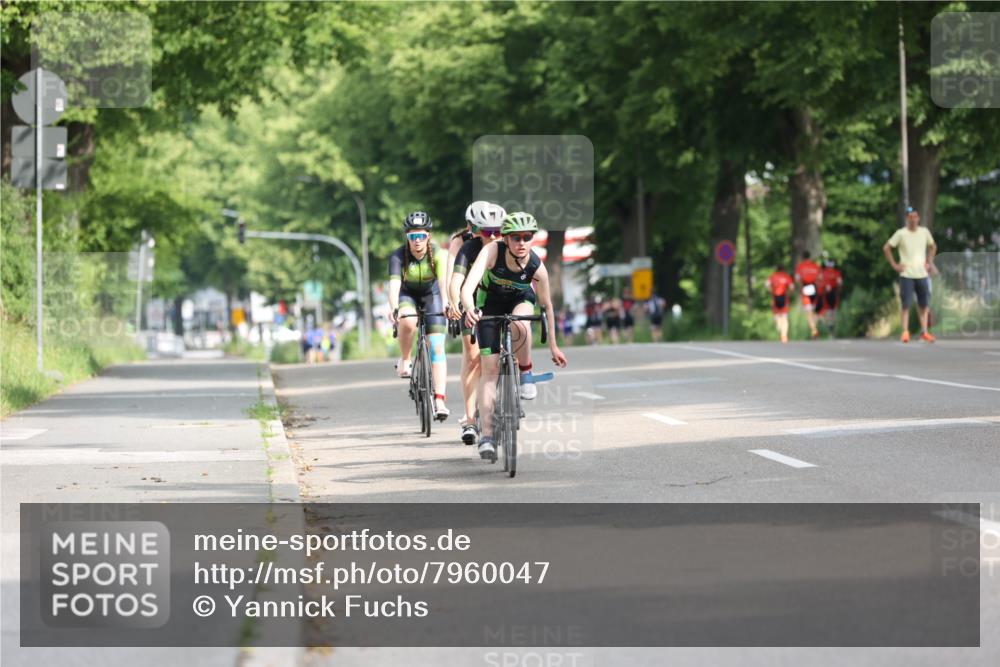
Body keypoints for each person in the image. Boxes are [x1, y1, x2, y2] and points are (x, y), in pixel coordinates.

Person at [461, 211, 568, 462]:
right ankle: (487, 435)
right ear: (505, 239)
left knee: (521, 324)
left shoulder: (536, 266)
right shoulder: (491, 252)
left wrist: (554, 346)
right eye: (516, 238)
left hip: (520, 300)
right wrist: (470, 309)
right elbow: (468, 287)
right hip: (489, 305)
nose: (522, 243)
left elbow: (547, 307)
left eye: (527, 237)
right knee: (489, 370)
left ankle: (525, 370)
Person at [447, 201, 506, 445]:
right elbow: (454, 282)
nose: (493, 237)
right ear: (474, 230)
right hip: (471, 301)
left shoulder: (507, 246)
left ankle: (508, 394)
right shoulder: (468, 248)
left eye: (497, 231)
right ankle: (470, 419)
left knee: (499, 352)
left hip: (497, 301)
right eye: (486, 232)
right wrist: (454, 305)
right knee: (472, 357)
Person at [387, 211, 451, 418]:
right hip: (408, 295)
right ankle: (405, 359)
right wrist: (393, 308)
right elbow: (394, 284)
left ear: (428, 236)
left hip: (432, 295)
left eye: (421, 236)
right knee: (408, 321)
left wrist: (448, 304)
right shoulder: (398, 256)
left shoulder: (438, 254)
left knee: (438, 347)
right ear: (407, 238)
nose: (417, 241)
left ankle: (439, 401)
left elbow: (443, 283)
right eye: (412, 237)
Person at [883, 206, 937, 343]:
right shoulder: (901, 233)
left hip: (922, 273)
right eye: (910, 217)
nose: (913, 220)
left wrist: (929, 261)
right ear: (907, 218)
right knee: (906, 304)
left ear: (918, 218)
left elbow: (933, 246)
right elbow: (887, 247)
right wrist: (894, 265)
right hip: (906, 273)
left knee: (923, 304)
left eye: (915, 217)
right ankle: (905, 331)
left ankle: (924, 332)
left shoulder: (924, 232)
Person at [794, 251, 822, 339]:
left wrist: (801, 287)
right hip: (815, 288)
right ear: (810, 257)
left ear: (803, 257)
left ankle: (814, 330)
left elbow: (797, 279)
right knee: (815, 311)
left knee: (808, 312)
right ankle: (815, 327)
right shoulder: (815, 266)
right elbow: (820, 278)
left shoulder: (800, 267)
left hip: (806, 288)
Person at [767, 264, 795, 343]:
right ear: (783, 269)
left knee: (777, 316)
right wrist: (788, 294)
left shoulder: (773, 276)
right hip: (784, 298)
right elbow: (792, 287)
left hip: (775, 298)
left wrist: (772, 291)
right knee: (785, 317)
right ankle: (784, 335)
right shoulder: (787, 277)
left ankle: (780, 329)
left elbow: (767, 285)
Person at [819, 259, 843, 336]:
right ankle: (833, 328)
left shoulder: (823, 272)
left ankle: (830, 328)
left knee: (828, 311)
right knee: (834, 311)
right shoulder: (836, 272)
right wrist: (838, 292)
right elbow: (840, 283)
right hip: (834, 293)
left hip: (826, 294)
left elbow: (819, 283)